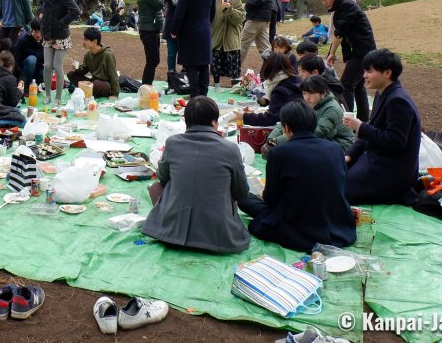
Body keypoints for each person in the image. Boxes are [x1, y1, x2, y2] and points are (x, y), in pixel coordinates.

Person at [239, 101, 356, 251]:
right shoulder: (336, 149)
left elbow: (271, 200)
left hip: (299, 224)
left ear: (286, 127)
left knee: (245, 199)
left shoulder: (279, 153)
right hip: (337, 221)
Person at [142, 96, 249, 253]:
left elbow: (163, 178)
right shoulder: (230, 149)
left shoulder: (172, 143)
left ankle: (172, 227)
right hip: (218, 235)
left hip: (174, 233)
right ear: (214, 122)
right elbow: (241, 192)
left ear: (186, 121)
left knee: (156, 188)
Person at [343, 49, 422, 206]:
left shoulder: (398, 101)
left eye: (369, 71)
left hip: (392, 170)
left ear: (387, 73)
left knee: (340, 191)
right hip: (376, 157)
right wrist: (350, 155)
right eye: (364, 70)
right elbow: (372, 128)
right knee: (336, 174)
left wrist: (360, 127)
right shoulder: (383, 93)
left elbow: (396, 141)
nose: (364, 75)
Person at [317, 0, 376, 121]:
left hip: (361, 51)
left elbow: (340, 33)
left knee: (346, 85)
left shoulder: (346, 5)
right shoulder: (343, 5)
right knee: (359, 85)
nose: (325, 3)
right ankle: (362, 120)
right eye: (322, 0)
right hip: (361, 50)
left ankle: (346, 121)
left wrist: (331, 53)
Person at [169, 0, 216, 97]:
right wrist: (206, 23)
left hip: (189, 31)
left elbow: (180, 13)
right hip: (205, 30)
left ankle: (195, 94)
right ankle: (204, 94)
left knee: (191, 64)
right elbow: (213, 12)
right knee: (203, 64)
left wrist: (174, 30)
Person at [37, 0, 80, 105]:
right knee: (47, 66)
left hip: (61, 36)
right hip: (47, 34)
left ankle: (58, 97)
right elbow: (39, 5)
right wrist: (40, 14)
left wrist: (61, 23)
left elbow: (75, 11)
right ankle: (48, 94)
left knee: (57, 66)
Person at [233, 53, 302, 127]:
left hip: (292, 128)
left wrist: (244, 117)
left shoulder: (280, 90)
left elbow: (270, 119)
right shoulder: (296, 80)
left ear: (269, 69)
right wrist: (264, 100)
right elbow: (278, 103)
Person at [238, 0, 272, 72]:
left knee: (242, 45)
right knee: (265, 48)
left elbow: (261, 0)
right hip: (264, 19)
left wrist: (245, 4)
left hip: (255, 19)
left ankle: (234, 68)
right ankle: (273, 69)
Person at [67, 27, 120, 99]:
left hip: (104, 85)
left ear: (94, 41)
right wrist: (77, 68)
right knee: (71, 74)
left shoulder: (107, 55)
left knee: (96, 84)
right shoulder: (88, 54)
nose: (83, 42)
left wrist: (115, 94)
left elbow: (113, 75)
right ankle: (86, 90)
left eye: (86, 39)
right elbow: (84, 70)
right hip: (93, 82)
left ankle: (84, 90)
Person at [211, 0, 244, 92]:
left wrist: (230, 9)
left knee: (233, 66)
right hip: (217, 37)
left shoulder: (236, 1)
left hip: (231, 39)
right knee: (216, 65)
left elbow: (238, 20)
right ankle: (216, 86)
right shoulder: (214, 0)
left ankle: (235, 87)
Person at [137, 0, 165, 86]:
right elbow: (159, 4)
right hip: (148, 30)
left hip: (151, 28)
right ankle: (146, 88)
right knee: (152, 61)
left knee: (153, 60)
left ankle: (147, 87)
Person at [14, 19, 44, 90]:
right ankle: (26, 86)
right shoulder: (23, 40)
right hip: (25, 72)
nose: (38, 35)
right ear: (32, 30)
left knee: (47, 70)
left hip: (38, 70)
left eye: (41, 32)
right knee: (31, 59)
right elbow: (15, 60)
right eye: (36, 32)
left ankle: (36, 86)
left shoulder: (46, 41)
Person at [163, 0, 182, 76]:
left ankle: (185, 74)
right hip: (170, 24)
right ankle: (171, 73)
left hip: (183, 27)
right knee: (171, 52)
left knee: (184, 52)